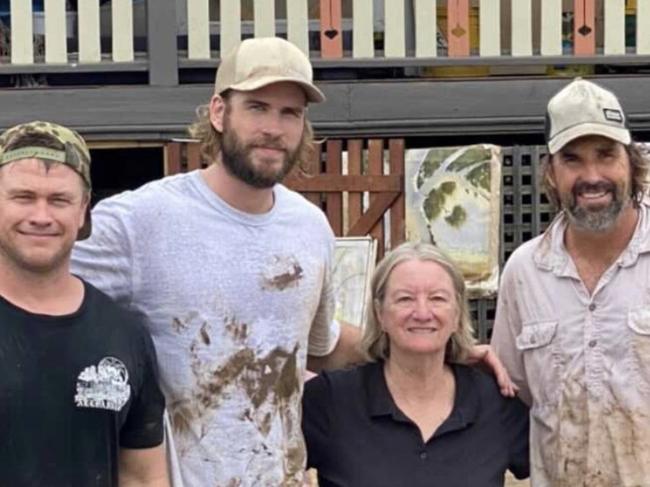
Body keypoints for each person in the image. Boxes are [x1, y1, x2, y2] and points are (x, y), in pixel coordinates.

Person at [71, 36, 514, 486]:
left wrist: (437, 350)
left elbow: (323, 346)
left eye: (290, 113)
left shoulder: (308, 228)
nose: (274, 128)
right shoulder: (141, 221)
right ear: (219, 113)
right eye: (257, 107)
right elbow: (37, 292)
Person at [491, 78, 650, 486]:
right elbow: (511, 393)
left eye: (606, 154)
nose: (592, 175)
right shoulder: (525, 272)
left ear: (632, 163)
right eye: (572, 159)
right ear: (551, 172)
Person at [0, 121, 168, 486]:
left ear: (83, 212)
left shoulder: (125, 335)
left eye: (59, 200)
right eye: (23, 197)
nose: (41, 216)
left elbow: (141, 477)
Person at [302, 241, 529, 487]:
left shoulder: (495, 405)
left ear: (456, 315)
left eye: (437, 298)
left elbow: (559, 464)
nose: (422, 312)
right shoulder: (331, 401)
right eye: (405, 299)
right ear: (380, 314)